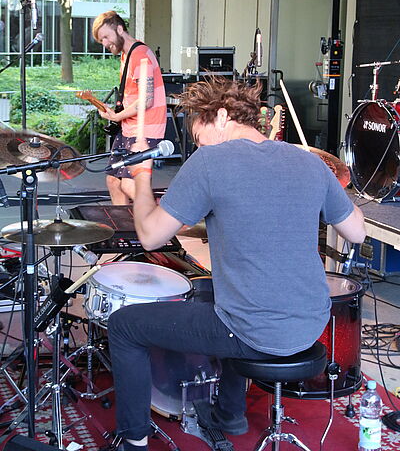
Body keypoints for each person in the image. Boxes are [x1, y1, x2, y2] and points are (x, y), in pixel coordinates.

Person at [107, 77, 366, 451]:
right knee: (212, 293)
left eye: (199, 138)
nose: (199, 147)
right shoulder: (309, 161)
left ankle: (132, 441)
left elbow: (150, 236)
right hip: (311, 324)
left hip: (254, 331)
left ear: (222, 116)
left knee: (125, 325)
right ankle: (231, 414)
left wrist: (142, 178)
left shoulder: (210, 162)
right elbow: (356, 231)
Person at [92, 11, 166, 204]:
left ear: (119, 29)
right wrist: (115, 113)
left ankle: (162, 217)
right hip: (128, 127)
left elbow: (146, 100)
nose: (105, 44)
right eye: (101, 40)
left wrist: (117, 117)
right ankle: (124, 224)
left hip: (145, 129)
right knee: (113, 181)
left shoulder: (140, 55)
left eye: (106, 37)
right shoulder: (127, 55)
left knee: (130, 185)